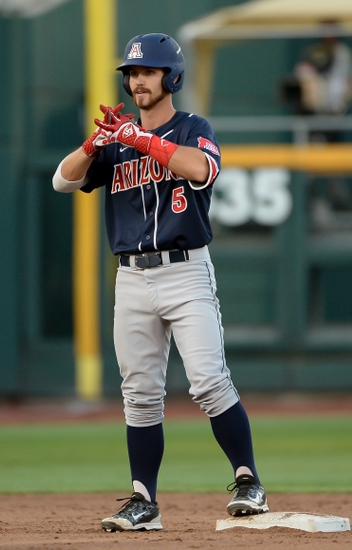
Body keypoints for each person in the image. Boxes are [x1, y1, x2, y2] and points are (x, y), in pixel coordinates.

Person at [52, 32, 268, 532]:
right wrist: (94, 143)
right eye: (131, 73)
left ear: (171, 77)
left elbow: (203, 168)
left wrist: (141, 140)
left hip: (186, 270)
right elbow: (63, 179)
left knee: (209, 380)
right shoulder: (117, 138)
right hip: (131, 278)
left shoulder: (192, 127)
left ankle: (248, 481)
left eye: (147, 71)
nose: (137, 80)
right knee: (140, 393)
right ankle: (143, 501)